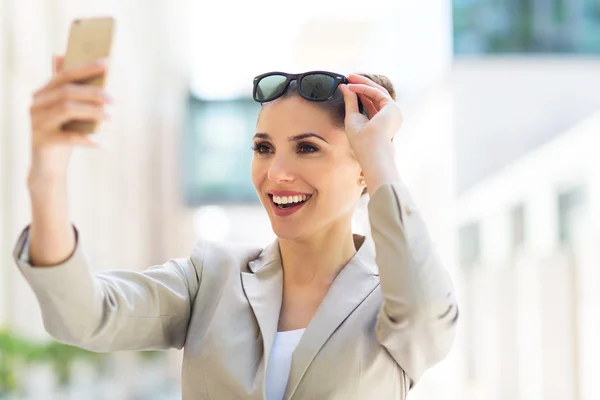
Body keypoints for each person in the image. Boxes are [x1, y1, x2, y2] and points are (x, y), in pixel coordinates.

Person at [13, 57, 458, 400]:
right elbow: (85, 316)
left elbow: (428, 313)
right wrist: (47, 175)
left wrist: (379, 153)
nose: (277, 172)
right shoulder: (211, 278)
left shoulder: (393, 302)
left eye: (307, 148)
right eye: (263, 148)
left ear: (363, 169)